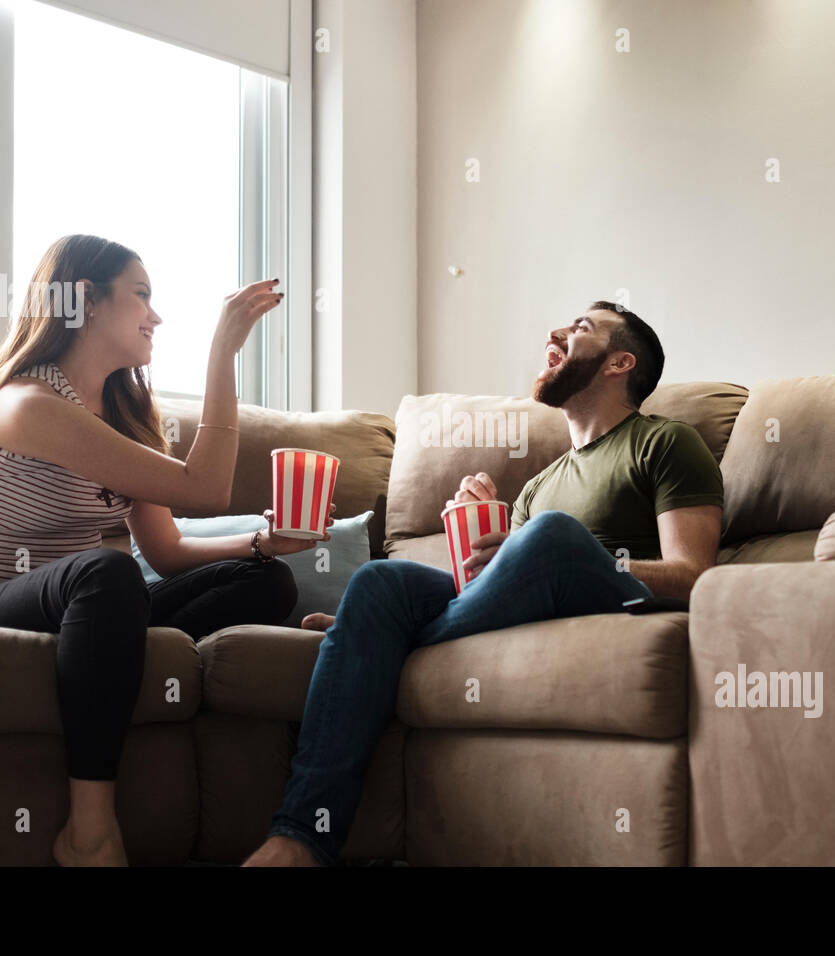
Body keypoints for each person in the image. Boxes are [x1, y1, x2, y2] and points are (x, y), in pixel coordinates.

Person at [0, 234, 330, 866]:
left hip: (76, 613)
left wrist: (266, 541)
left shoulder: (121, 411)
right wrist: (222, 351)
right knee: (105, 572)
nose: (155, 316)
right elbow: (206, 488)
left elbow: (163, 549)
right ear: (85, 301)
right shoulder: (30, 405)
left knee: (266, 581)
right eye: (141, 296)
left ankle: (99, 656)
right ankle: (89, 833)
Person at [248, 301, 723, 866]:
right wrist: (492, 534)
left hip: (613, 602)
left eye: (581, 328)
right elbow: (487, 591)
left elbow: (694, 576)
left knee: (550, 536)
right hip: (516, 605)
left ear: (621, 363)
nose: (557, 332)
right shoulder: (537, 487)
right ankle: (299, 839)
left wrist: (578, 556)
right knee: (382, 582)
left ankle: (383, 641)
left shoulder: (665, 443)